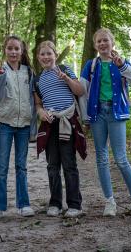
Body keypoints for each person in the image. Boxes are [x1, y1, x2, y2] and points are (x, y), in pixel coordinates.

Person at [79, 28, 131, 216]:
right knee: (101, 158)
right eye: (99, 41)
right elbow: (81, 88)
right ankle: (110, 202)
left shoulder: (121, 63)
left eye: (105, 41)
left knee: (121, 158)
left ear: (112, 42)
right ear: (95, 45)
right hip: (97, 114)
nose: (102, 44)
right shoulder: (91, 65)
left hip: (116, 114)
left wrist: (123, 66)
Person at [34, 40, 87, 218]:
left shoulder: (64, 70)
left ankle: (74, 204)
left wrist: (67, 79)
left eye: (49, 53)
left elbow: (80, 91)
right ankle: (55, 203)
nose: (46, 57)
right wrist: (41, 112)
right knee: (52, 165)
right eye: (43, 54)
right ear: (38, 57)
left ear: (55, 55)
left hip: (68, 122)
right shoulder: (38, 79)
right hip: (50, 124)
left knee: (69, 164)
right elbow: (38, 103)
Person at [0, 35, 35, 221]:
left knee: (21, 167)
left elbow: (33, 98)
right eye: (10, 48)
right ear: (5, 50)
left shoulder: (28, 72)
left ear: (22, 51)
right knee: (2, 167)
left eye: (17, 48)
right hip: (6, 124)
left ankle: (23, 204)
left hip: (24, 124)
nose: (13, 52)